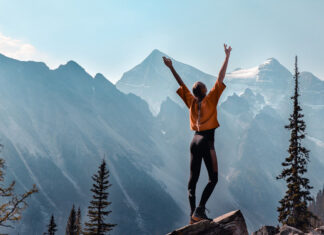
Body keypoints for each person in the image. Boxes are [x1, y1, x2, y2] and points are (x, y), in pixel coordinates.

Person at [162, 44, 232, 224]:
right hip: (207, 141)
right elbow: (221, 76)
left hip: (194, 141)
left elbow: (181, 83)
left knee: (193, 180)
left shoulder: (191, 101)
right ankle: (200, 210)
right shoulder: (211, 99)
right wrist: (226, 56)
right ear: (204, 91)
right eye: (203, 86)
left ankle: (192, 216)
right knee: (213, 178)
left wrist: (171, 67)